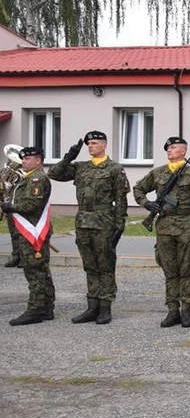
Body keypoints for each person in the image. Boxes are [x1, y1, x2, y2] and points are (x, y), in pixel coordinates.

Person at [46, 131, 129, 325]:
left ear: (103, 145)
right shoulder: (80, 167)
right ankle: (92, 307)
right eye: (88, 144)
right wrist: (69, 156)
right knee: (90, 265)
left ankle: (105, 308)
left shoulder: (114, 168)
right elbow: (53, 174)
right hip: (83, 221)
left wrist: (120, 222)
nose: (90, 146)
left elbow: (121, 198)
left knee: (105, 265)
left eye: (93, 143)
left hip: (104, 221)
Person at [132, 136, 190, 328]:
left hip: (186, 225)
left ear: (183, 151)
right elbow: (138, 189)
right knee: (169, 269)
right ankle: (172, 309)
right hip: (165, 226)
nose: (169, 150)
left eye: (174, 147)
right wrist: (147, 204)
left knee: (186, 268)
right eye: (168, 147)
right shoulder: (158, 173)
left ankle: (186, 310)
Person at [4, 146, 56, 325]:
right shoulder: (28, 177)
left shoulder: (37, 179)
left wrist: (10, 207)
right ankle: (46, 308)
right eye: (23, 159)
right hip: (29, 230)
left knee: (34, 272)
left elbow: (32, 205)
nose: (23, 161)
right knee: (41, 270)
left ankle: (35, 310)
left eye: (27, 159)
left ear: (38, 160)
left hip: (33, 231)